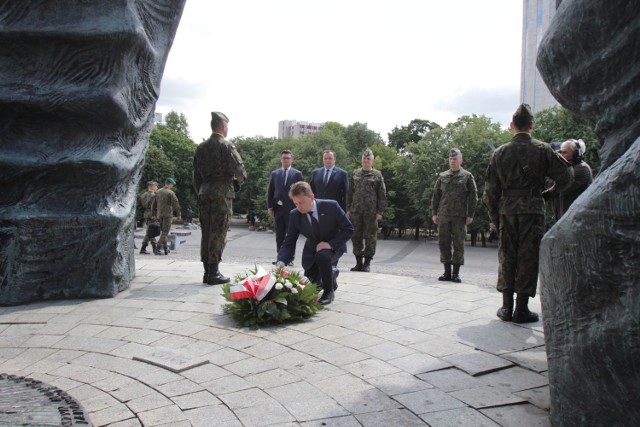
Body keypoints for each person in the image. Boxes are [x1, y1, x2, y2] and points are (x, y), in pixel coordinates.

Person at [483, 104, 573, 323]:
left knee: (507, 256)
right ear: (531, 126)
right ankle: (521, 309)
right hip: (532, 210)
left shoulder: (500, 152)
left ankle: (506, 308)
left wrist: (494, 218)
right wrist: (549, 194)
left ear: (512, 125)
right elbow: (567, 176)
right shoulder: (543, 150)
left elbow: (490, 192)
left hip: (507, 211)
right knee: (528, 257)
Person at [276, 181, 354, 305]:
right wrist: (281, 261)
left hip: (333, 246)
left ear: (312, 197)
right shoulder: (295, 215)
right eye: (295, 203)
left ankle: (329, 292)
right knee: (311, 286)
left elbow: (348, 229)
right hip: (311, 251)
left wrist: (330, 244)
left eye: (302, 203)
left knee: (323, 255)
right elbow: (289, 241)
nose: (299, 207)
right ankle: (331, 274)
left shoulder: (331, 206)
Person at [193, 112, 246, 285]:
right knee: (218, 232)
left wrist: (201, 190)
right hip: (222, 194)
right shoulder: (227, 146)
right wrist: (238, 183)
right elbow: (240, 171)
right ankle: (214, 273)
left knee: (206, 232)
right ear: (223, 127)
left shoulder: (200, 148)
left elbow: (196, 177)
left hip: (204, 192)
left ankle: (207, 272)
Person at [431, 148, 478, 283]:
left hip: (460, 216)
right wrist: (434, 213)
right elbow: (436, 196)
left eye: (455, 158)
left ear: (461, 160)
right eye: (451, 159)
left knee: (459, 244)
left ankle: (456, 273)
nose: (452, 161)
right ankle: (447, 272)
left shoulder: (467, 176)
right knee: (443, 243)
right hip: (444, 216)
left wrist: (470, 214)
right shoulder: (442, 176)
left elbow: (473, 197)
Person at [346, 148, 387, 272]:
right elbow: (350, 193)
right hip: (356, 211)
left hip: (371, 212)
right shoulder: (355, 173)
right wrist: (348, 209)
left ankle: (367, 263)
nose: (366, 160)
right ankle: (358, 262)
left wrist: (380, 211)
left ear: (372, 161)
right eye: (364, 158)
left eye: (368, 158)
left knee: (371, 237)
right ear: (361, 160)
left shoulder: (377, 175)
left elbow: (382, 194)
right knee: (356, 236)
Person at [267, 150, 303, 263]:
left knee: (291, 235)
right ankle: (280, 258)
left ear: (292, 159)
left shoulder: (297, 174)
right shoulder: (275, 174)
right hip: (278, 209)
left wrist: (300, 207)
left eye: (288, 158)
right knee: (279, 235)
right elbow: (270, 191)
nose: (286, 160)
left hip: (292, 209)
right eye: (284, 158)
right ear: (281, 159)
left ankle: (290, 258)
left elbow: (301, 192)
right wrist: (269, 207)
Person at [543, 139, 593, 221]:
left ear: (576, 154)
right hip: (563, 217)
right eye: (560, 151)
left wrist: (543, 174)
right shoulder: (564, 168)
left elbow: (555, 185)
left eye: (564, 152)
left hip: (578, 218)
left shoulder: (582, 169)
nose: (560, 155)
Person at [152, 177, 182, 255]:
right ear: (170, 184)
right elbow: (176, 204)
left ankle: (165, 249)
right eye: (172, 184)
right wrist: (178, 214)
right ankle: (158, 248)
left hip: (159, 215)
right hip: (168, 215)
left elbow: (153, 204)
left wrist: (153, 214)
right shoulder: (170, 193)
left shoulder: (158, 192)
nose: (172, 186)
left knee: (163, 232)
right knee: (165, 232)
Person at [138, 180, 158, 254]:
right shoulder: (153, 195)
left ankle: (144, 248)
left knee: (149, 231)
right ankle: (154, 249)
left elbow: (139, 205)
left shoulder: (143, 195)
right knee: (151, 232)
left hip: (146, 214)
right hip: (152, 215)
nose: (157, 188)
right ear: (152, 187)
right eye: (156, 186)